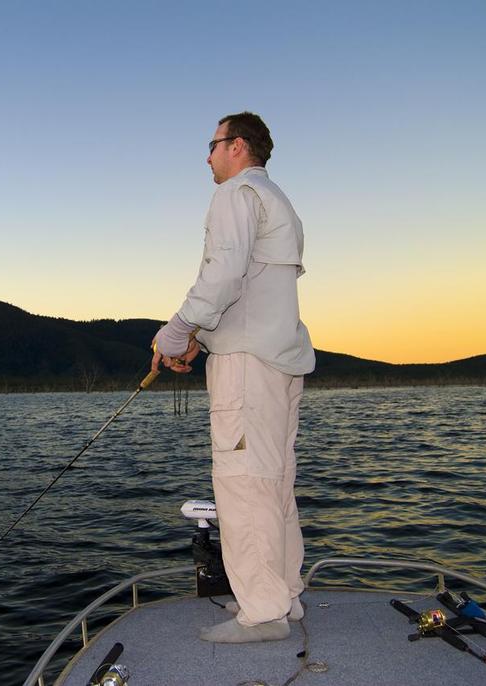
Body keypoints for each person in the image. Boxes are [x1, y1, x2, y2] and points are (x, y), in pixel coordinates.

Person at [152, 111, 316, 644]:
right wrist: (206, 335)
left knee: (244, 486)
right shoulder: (278, 201)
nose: (207, 157)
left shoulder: (233, 194)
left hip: (247, 367)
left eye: (212, 145)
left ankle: (263, 613)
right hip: (277, 361)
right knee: (275, 483)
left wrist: (177, 333)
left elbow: (221, 274)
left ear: (237, 146)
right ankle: (285, 598)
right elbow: (249, 286)